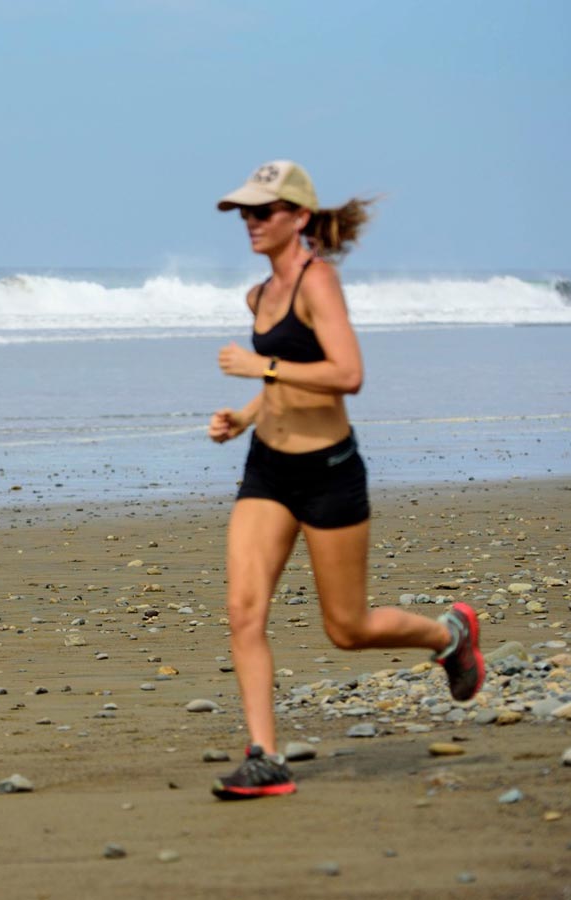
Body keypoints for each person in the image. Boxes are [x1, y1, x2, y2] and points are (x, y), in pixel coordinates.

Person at [206, 160, 484, 799]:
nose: (251, 222)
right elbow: (286, 386)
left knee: (347, 628)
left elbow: (347, 373)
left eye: (263, 211)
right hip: (268, 471)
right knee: (243, 611)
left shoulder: (317, 282)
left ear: (299, 217)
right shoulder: (259, 295)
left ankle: (451, 634)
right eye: (245, 212)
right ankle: (264, 757)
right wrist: (243, 415)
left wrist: (260, 366)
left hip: (328, 473)